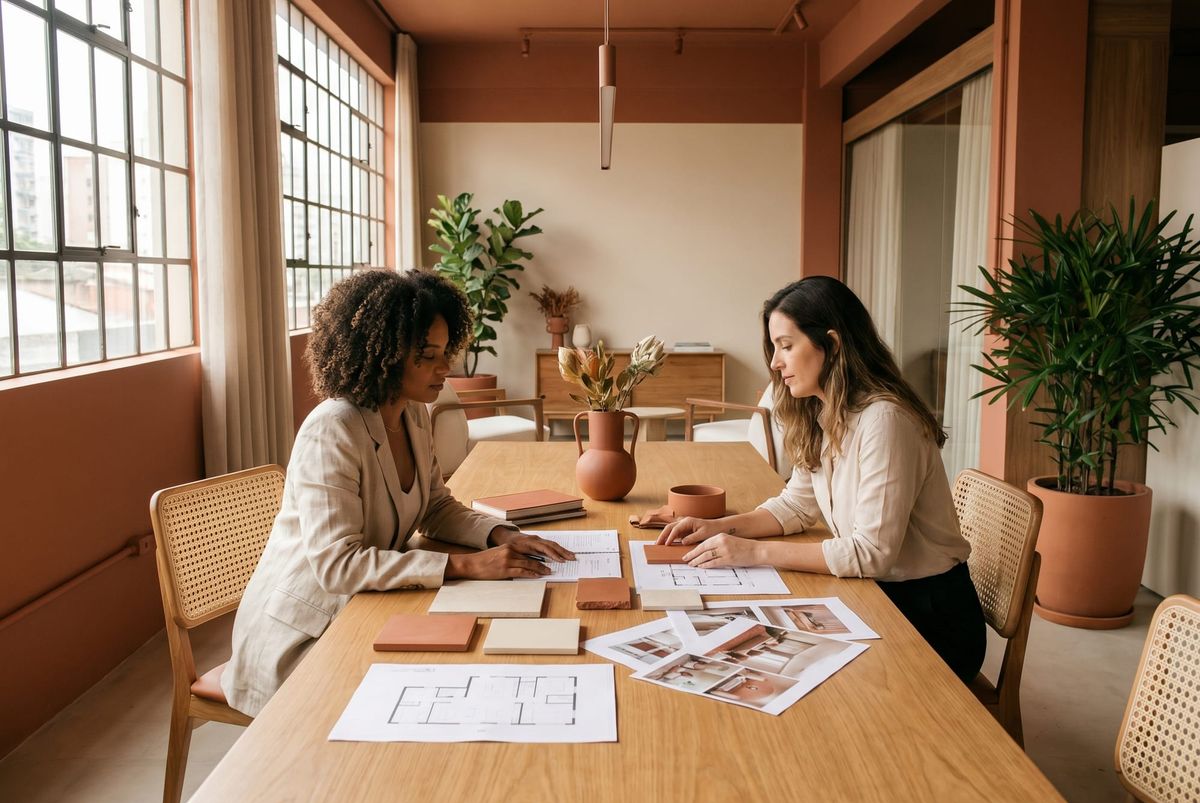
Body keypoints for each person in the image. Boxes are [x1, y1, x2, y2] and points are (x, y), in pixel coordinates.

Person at [222, 270, 575, 715]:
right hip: (304, 634)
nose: (444, 367)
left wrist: (500, 535)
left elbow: (436, 506)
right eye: (426, 356)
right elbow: (337, 565)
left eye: (445, 352)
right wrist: (465, 565)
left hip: (366, 607)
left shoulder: (413, 415)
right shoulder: (333, 429)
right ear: (383, 355)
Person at [658, 276, 985, 682]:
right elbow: (797, 504)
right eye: (774, 348)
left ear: (831, 344)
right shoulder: (825, 412)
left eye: (786, 345)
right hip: (878, 595)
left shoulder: (885, 421)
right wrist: (718, 528)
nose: (775, 363)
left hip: (929, 618)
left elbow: (871, 554)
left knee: (778, 673)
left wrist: (753, 552)